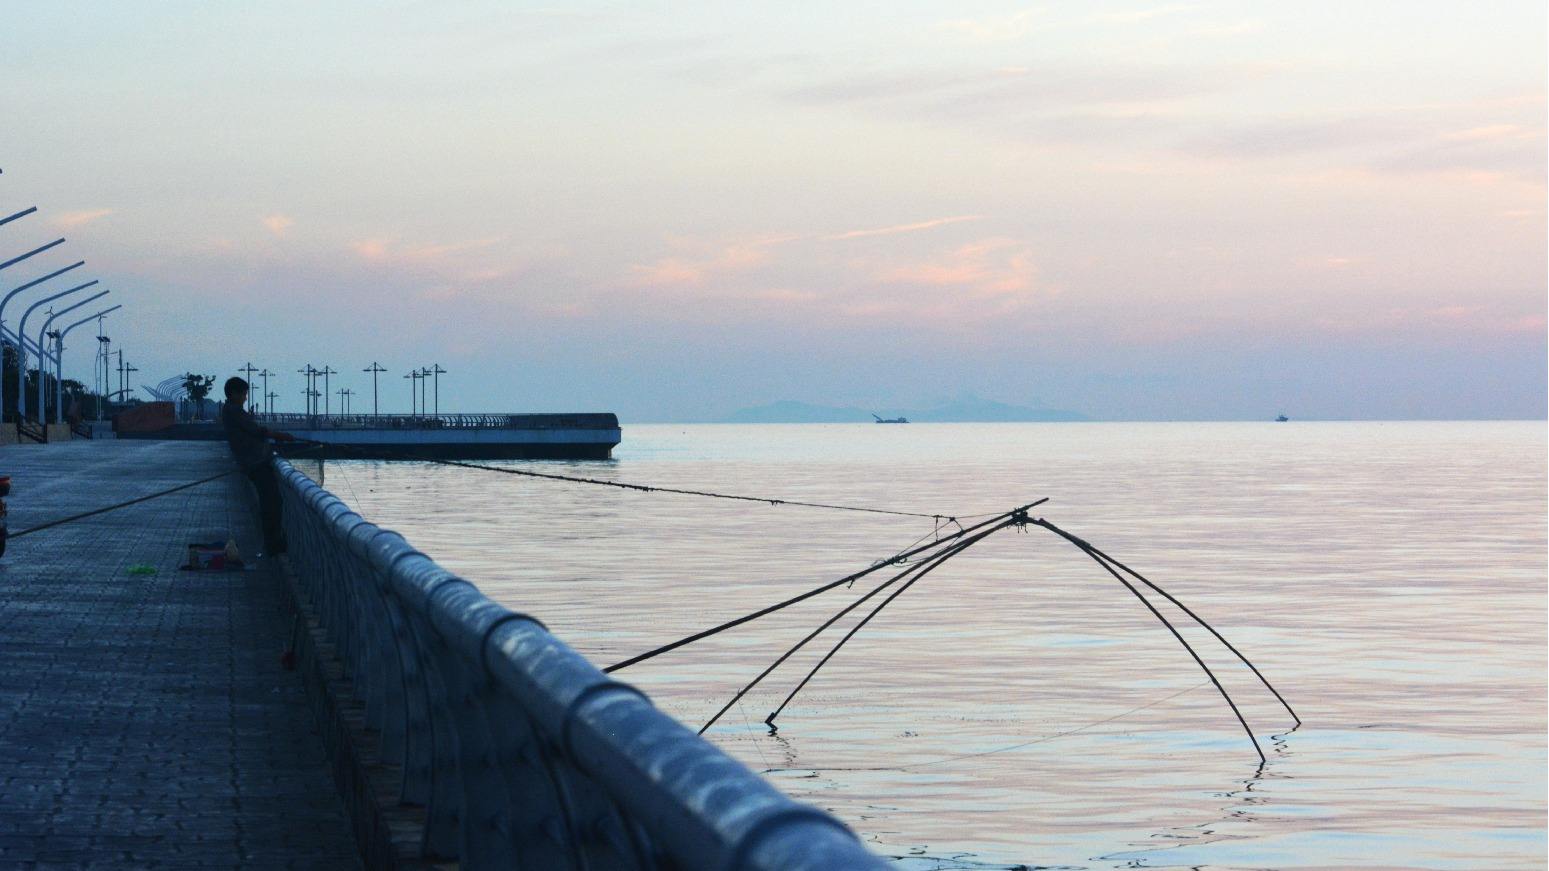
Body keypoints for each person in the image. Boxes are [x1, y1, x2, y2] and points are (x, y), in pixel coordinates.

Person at [221, 377, 296, 556]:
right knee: (272, 502)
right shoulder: (233, 411)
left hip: (255, 462)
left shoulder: (231, 410)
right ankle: (272, 543)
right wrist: (279, 435)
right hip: (256, 463)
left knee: (271, 501)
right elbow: (255, 430)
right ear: (234, 394)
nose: (246, 398)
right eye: (244, 394)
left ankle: (272, 542)